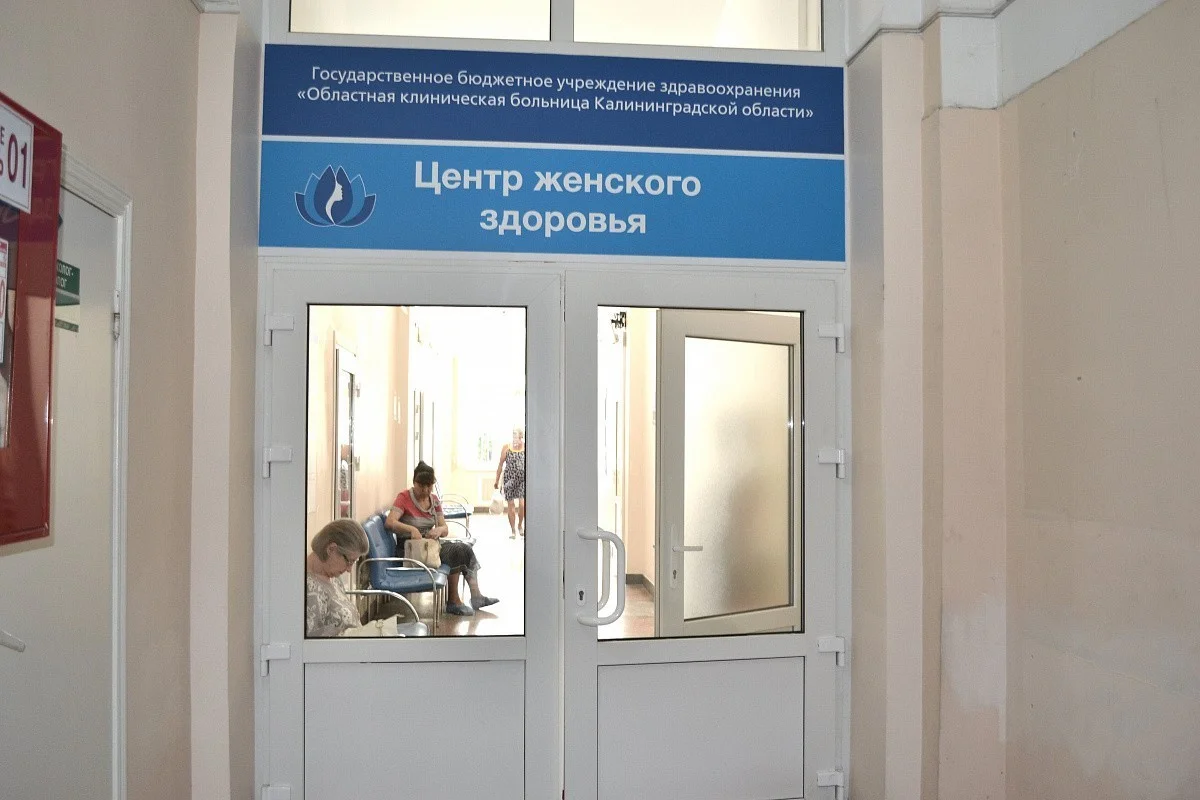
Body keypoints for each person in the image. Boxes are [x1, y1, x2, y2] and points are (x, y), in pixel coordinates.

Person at [387, 461, 498, 617]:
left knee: (464, 548)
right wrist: (411, 529)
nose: (425, 490)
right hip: (410, 551)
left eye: (429, 486)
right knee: (455, 552)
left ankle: (475, 595)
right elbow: (390, 522)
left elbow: (444, 528)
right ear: (414, 483)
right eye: (421, 486)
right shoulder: (404, 497)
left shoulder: (434, 500)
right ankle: (454, 601)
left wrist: (438, 530)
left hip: (430, 548)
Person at [306, 518, 370, 637]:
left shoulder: (332, 576)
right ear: (331, 549)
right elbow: (312, 642)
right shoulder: (309, 589)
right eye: (349, 561)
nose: (349, 569)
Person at [494, 426, 526, 538]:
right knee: (511, 505)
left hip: (522, 480)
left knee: (522, 504)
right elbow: (500, 465)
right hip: (509, 480)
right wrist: (497, 480)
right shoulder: (506, 447)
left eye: (517, 436)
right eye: (514, 435)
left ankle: (520, 525)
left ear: (521, 437)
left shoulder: (526, 447)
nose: (515, 438)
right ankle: (513, 530)